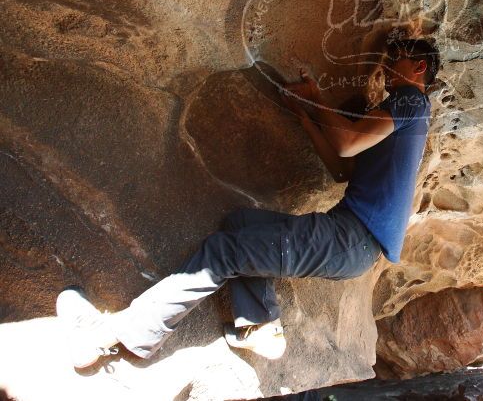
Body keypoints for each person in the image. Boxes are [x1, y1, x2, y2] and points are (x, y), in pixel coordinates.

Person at [56, 38, 441, 369]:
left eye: (396, 60)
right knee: (241, 223)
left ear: (419, 67)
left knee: (224, 251)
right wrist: (304, 113)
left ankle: (112, 336)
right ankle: (259, 325)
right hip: (350, 243)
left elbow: (347, 142)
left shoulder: (411, 101)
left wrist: (317, 98)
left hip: (350, 238)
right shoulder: (406, 120)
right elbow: (342, 168)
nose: (388, 67)